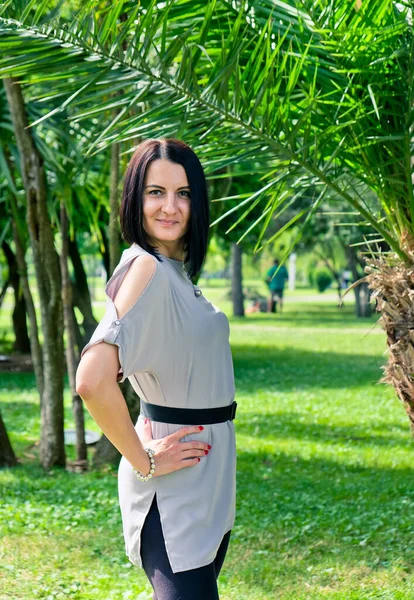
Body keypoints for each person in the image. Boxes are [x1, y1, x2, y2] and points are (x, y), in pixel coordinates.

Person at [75, 138, 237, 600]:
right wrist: (141, 459)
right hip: (173, 489)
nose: (170, 206)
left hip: (206, 478)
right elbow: (91, 379)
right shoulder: (145, 267)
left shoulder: (173, 271)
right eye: (155, 192)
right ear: (134, 198)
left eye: (183, 193)